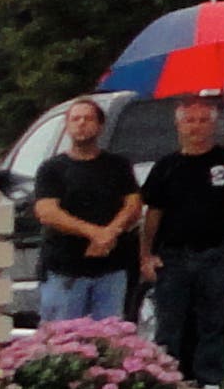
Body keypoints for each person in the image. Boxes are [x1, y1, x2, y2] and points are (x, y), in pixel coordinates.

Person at [137, 95, 224, 389]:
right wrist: (146, 253)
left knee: (211, 321)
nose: (196, 127)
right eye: (190, 120)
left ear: (214, 124)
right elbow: (152, 215)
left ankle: (211, 385)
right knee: (170, 323)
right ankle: (168, 385)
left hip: (214, 253)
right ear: (178, 125)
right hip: (173, 256)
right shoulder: (166, 166)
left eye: (203, 120)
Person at [30, 97, 142, 323]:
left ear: (100, 126)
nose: (81, 123)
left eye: (88, 118)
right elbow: (47, 211)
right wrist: (94, 233)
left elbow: (133, 204)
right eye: (75, 119)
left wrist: (110, 231)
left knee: (109, 344)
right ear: (67, 125)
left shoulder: (118, 165)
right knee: (63, 344)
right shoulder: (52, 168)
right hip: (65, 271)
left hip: (111, 271)